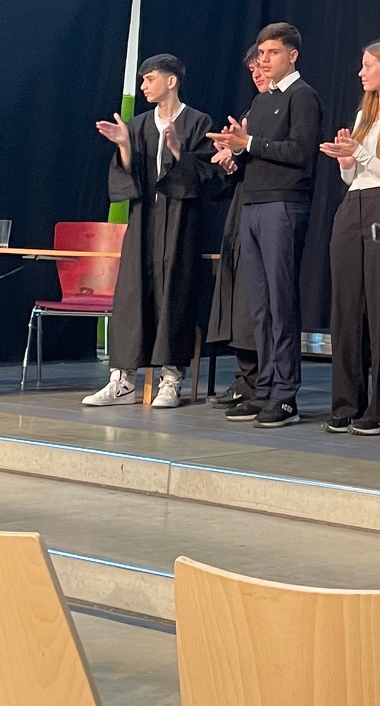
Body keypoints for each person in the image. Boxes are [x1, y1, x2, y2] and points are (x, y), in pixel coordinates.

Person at [84, 55, 219, 410]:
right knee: (132, 293)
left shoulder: (197, 121)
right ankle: (123, 380)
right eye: (142, 80)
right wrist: (124, 145)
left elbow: (204, 176)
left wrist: (176, 149)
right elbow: (129, 177)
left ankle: (171, 379)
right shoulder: (140, 124)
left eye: (150, 79)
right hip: (144, 219)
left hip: (180, 221)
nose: (143, 86)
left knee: (175, 293)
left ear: (171, 81)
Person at [211, 23, 322, 428]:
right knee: (259, 305)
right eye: (261, 54)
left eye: (272, 53)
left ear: (292, 55)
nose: (264, 60)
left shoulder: (302, 96)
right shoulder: (260, 103)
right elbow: (254, 153)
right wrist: (235, 156)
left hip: (284, 204)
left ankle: (286, 395)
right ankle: (265, 388)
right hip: (253, 205)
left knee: (280, 302)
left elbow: (301, 151)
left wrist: (250, 145)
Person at [319, 40, 380, 434]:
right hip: (352, 206)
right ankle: (347, 402)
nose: (361, 73)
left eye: (368, 65)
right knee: (346, 309)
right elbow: (354, 176)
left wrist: (360, 154)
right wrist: (347, 162)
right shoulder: (365, 113)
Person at [205, 45, 266, 405]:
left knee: (254, 297)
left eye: (262, 67)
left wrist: (243, 151)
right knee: (238, 295)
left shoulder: (285, 107)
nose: (257, 75)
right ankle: (245, 376)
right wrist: (231, 163)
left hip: (266, 210)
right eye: (252, 71)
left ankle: (257, 380)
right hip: (242, 209)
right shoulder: (251, 113)